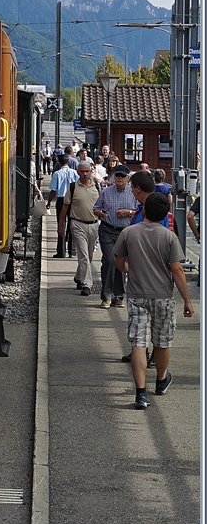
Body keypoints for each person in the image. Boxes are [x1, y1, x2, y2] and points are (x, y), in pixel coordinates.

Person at [114, 191, 194, 409]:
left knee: (138, 342)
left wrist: (130, 269)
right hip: (163, 297)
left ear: (145, 210)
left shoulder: (129, 233)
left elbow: (119, 263)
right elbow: (176, 270)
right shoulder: (169, 237)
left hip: (137, 296)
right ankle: (161, 380)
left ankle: (141, 393)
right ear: (166, 214)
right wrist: (187, 300)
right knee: (162, 341)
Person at [93, 165, 138, 306]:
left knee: (121, 262)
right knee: (109, 260)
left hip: (125, 231)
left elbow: (140, 211)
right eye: (117, 175)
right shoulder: (106, 192)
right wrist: (99, 213)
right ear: (114, 177)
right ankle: (106, 295)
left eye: (122, 176)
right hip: (107, 229)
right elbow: (96, 208)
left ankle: (118, 296)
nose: (119, 178)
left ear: (127, 178)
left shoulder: (133, 193)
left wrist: (128, 213)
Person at [64, 161, 100, 295]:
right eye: (82, 171)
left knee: (89, 255)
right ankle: (87, 284)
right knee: (83, 255)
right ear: (78, 172)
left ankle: (79, 277)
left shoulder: (97, 186)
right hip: (77, 224)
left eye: (87, 171)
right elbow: (65, 206)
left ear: (91, 171)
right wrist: (61, 225)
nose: (85, 174)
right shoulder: (73, 187)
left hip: (94, 224)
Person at [47, 153, 78, 257]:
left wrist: (48, 202)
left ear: (59, 163)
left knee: (61, 224)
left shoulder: (57, 174)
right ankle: (72, 251)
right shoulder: (74, 173)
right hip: (73, 200)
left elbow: (53, 190)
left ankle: (61, 251)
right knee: (72, 224)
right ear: (68, 162)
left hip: (61, 200)